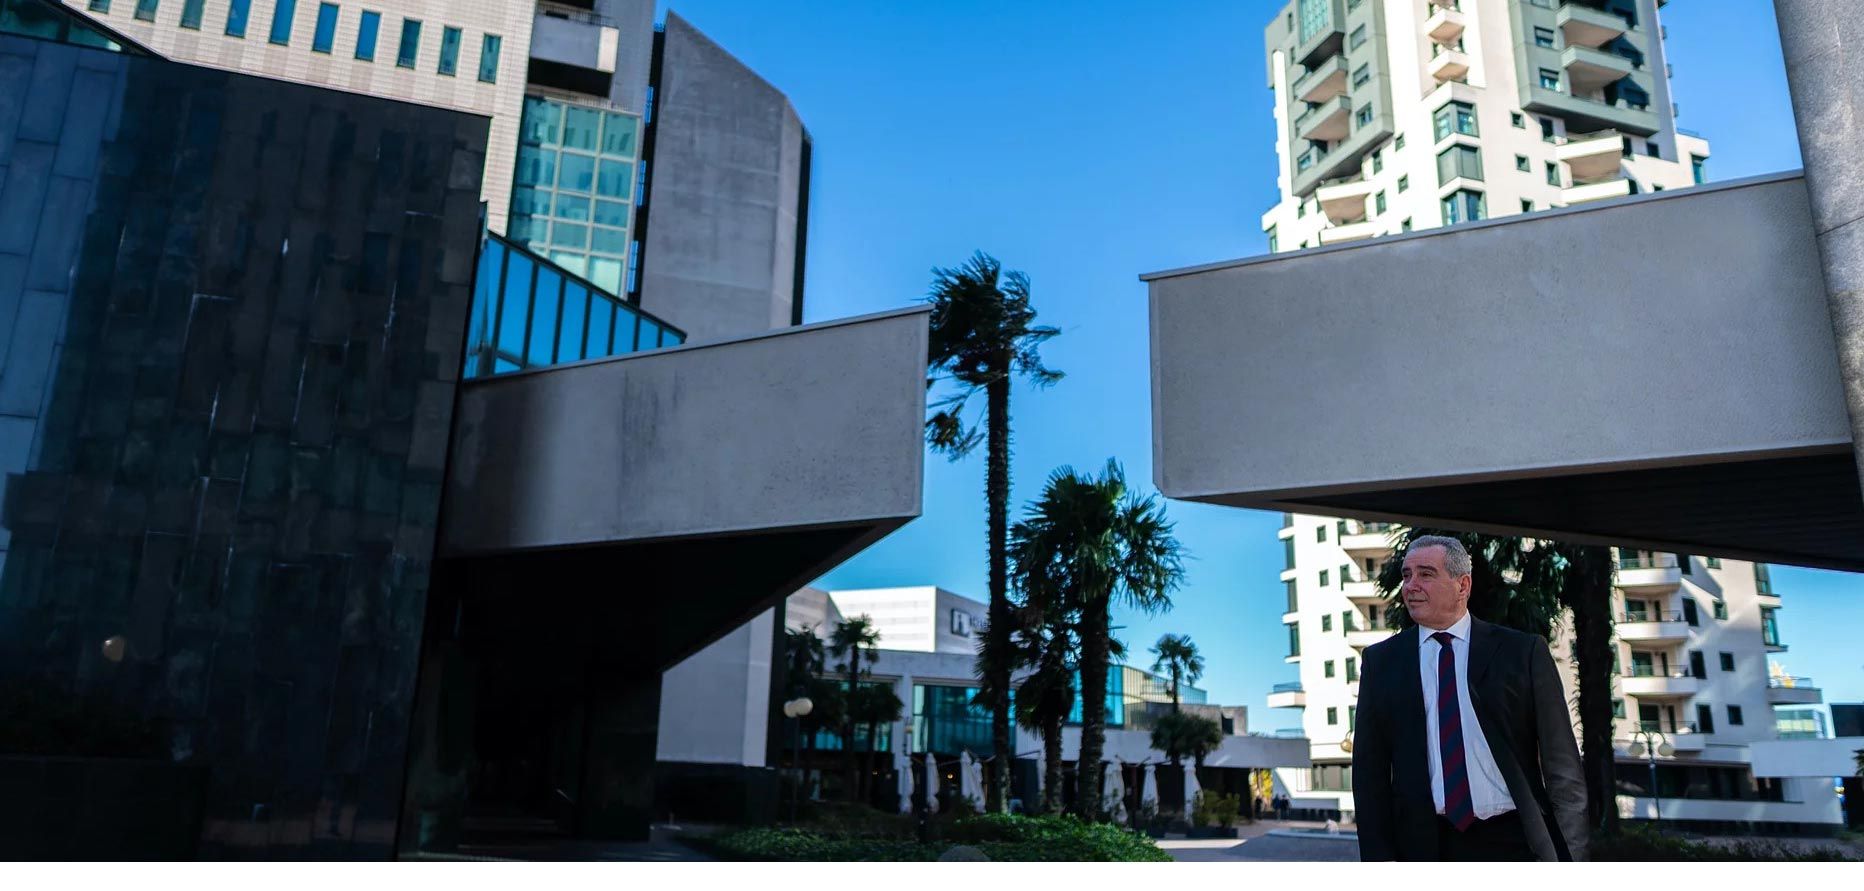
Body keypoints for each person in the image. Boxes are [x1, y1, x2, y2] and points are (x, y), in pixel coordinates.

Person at [1351, 536, 1589, 862]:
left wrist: (1573, 861)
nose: (1410, 585)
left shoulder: (1521, 652)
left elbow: (1563, 770)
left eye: (1426, 574)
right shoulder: (1381, 662)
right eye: (1406, 575)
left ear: (1462, 585)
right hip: (1422, 848)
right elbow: (1369, 778)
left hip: (1513, 843)